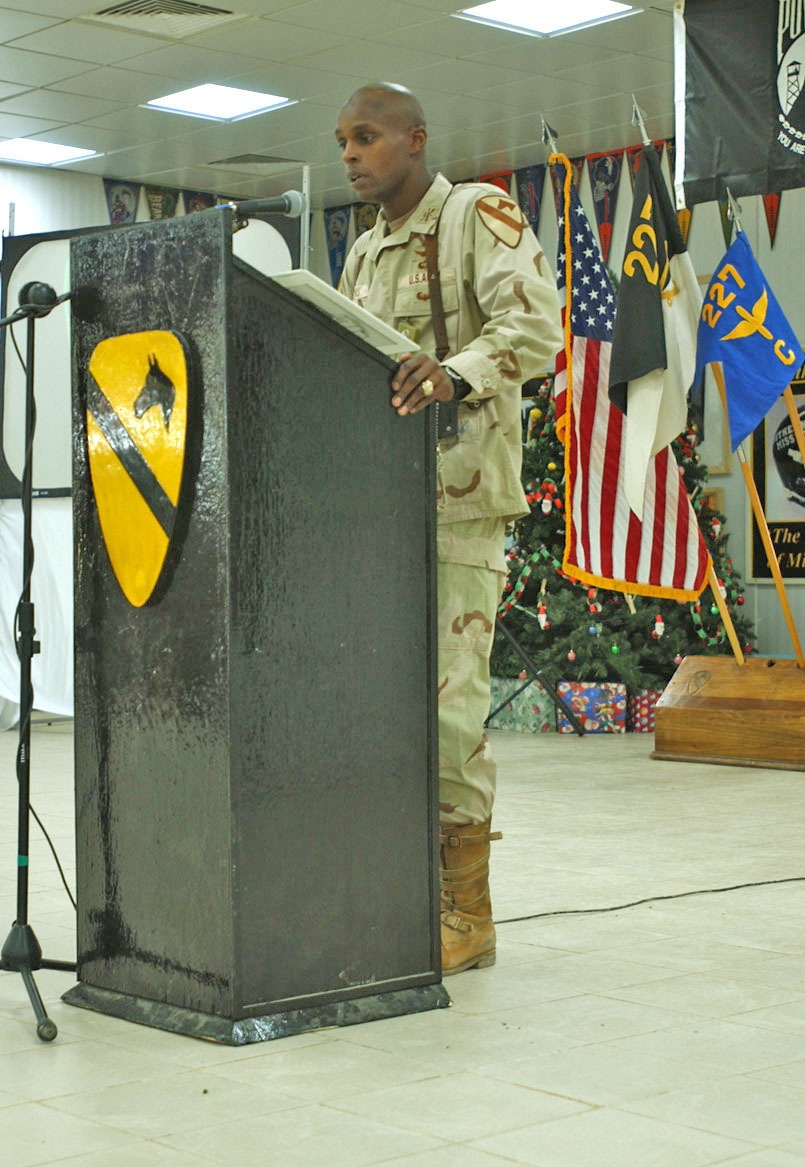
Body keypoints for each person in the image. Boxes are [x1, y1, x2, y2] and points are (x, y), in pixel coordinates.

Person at [335, 83, 562, 974]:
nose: (351, 154)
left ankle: (467, 915)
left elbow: (538, 325)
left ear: (415, 140)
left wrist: (452, 372)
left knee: (446, 710)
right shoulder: (358, 256)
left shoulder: (475, 214)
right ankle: (403, 894)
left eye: (367, 137)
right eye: (343, 141)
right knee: (384, 710)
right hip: (373, 512)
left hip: (459, 504)